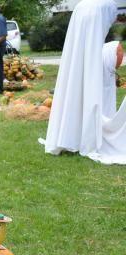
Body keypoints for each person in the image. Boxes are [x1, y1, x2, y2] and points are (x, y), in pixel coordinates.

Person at [39, 0, 126, 165]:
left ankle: (72, 134)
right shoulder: (98, 8)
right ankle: (84, 136)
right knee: (87, 93)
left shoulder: (82, 9)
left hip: (90, 24)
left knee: (76, 93)